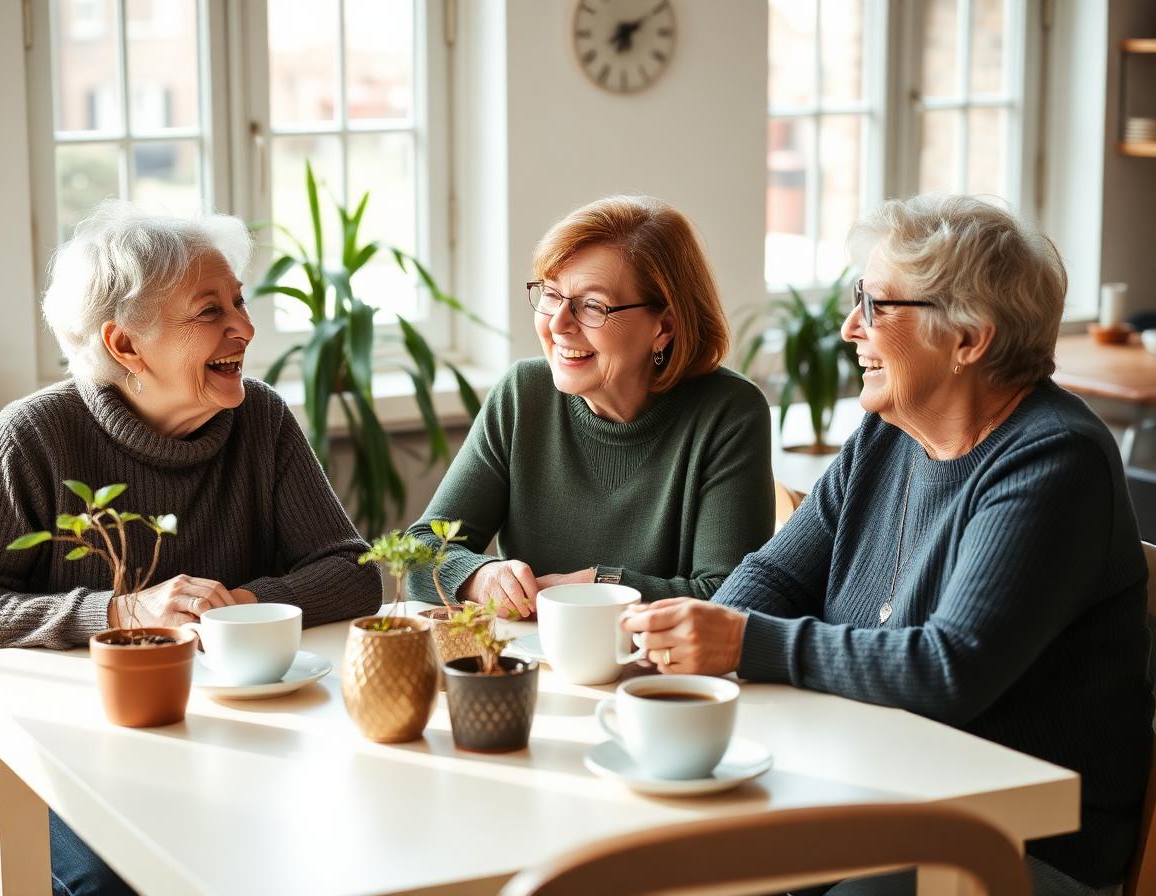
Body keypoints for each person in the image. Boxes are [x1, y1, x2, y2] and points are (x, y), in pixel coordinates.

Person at [625, 194, 1152, 895]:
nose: (850, 328)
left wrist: (740, 643)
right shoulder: (886, 434)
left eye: (877, 306)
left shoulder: (1055, 459)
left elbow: (947, 670)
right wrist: (698, 645)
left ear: (969, 340)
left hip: (1017, 839)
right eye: (857, 299)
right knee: (673, 860)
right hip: (874, 785)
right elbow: (774, 577)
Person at [0, 201, 382, 895]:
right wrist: (124, 611)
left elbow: (353, 574)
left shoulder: (263, 422)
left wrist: (232, 609)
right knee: (118, 881)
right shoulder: (31, 437)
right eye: (209, 312)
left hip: (210, 741)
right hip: (17, 756)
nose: (245, 329)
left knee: (336, 842)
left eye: (239, 302)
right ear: (126, 345)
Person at [407, 195, 775, 615]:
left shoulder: (728, 413)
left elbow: (732, 596)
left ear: (664, 327)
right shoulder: (521, 394)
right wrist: (480, 576)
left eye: (592, 305)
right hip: (523, 664)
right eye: (551, 294)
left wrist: (601, 585)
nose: (559, 323)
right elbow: (418, 551)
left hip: (656, 674)